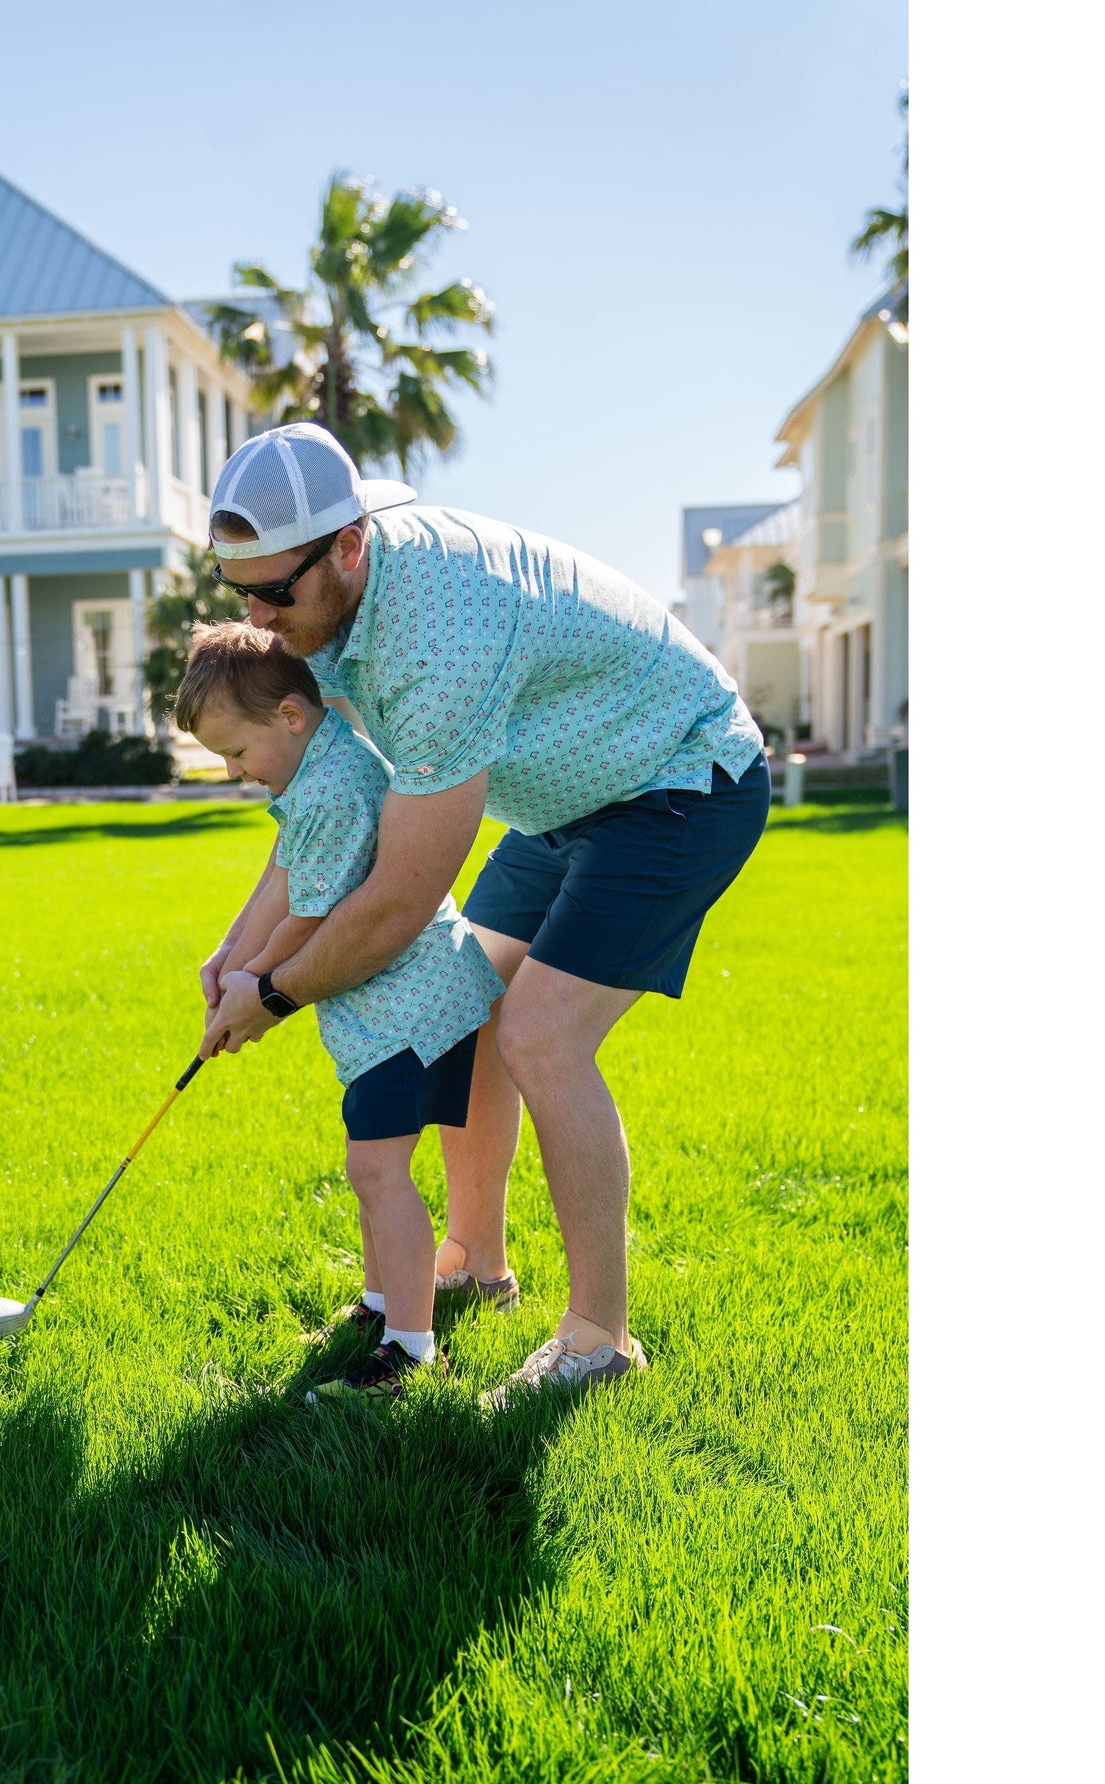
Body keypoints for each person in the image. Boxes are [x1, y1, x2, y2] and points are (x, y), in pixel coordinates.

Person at [197, 424, 770, 1407]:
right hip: (563, 793)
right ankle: (471, 1260)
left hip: (679, 773)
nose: (256, 617)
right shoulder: (327, 597)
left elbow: (397, 899)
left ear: (346, 545)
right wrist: (234, 949)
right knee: (473, 1004)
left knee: (542, 1038)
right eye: (237, 592)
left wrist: (275, 993)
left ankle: (597, 1339)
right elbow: (318, 817)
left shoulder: (437, 638)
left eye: (273, 593)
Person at [175, 622, 506, 1402]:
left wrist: (254, 986)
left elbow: (311, 919)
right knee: (371, 1165)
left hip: (413, 1011)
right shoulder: (313, 773)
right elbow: (282, 873)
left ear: (290, 716)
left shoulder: (329, 788)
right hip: (390, 1010)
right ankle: (383, 1306)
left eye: (236, 753)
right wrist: (228, 960)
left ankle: (412, 1352)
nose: (232, 771)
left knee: (376, 1169)